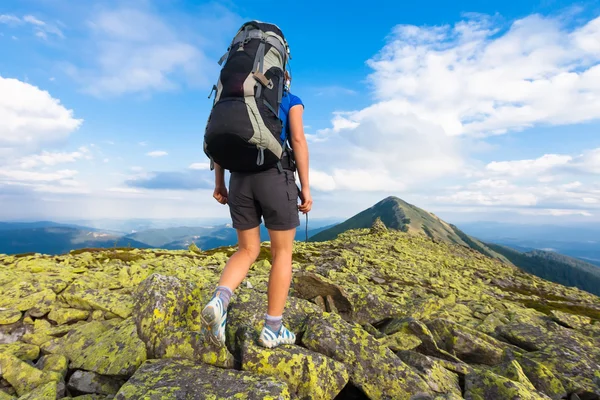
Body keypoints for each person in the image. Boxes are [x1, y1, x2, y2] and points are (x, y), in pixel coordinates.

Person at [201, 72, 312, 349]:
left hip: (238, 180)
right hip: (275, 177)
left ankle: (220, 300)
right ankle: (273, 327)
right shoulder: (289, 100)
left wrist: (220, 183)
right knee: (282, 253)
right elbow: (297, 141)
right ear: (283, 73)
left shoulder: (231, 101)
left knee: (247, 250)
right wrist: (306, 187)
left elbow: (220, 145)